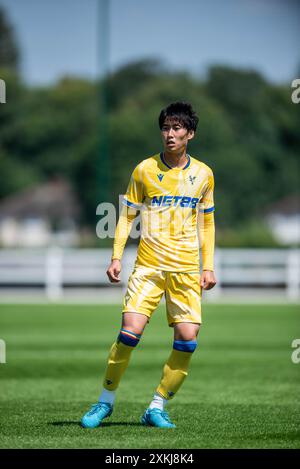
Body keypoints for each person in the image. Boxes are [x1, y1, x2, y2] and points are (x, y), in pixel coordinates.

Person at [81, 101, 216, 429]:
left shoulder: (203, 174)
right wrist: (116, 256)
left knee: (187, 340)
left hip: (185, 269)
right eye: (166, 128)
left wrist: (207, 266)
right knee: (130, 333)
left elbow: (207, 224)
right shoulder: (144, 169)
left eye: (177, 128)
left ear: (190, 134)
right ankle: (105, 402)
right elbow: (126, 217)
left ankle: (156, 406)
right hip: (148, 267)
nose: (170, 134)